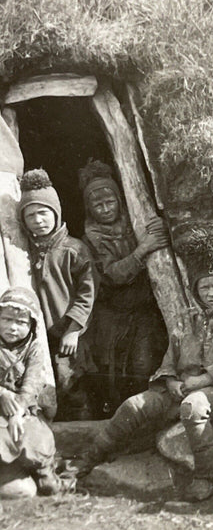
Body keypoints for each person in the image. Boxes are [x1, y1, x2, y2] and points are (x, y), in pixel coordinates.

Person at [73, 252, 213, 502]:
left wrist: (202, 381)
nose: (211, 293)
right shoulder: (188, 318)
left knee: (194, 407)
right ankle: (88, 459)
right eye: (204, 287)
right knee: (134, 405)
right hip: (180, 385)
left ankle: (206, 475)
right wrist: (170, 380)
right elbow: (171, 354)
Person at [79, 160, 168, 411]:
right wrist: (142, 250)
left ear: (120, 201)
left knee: (143, 364)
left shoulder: (136, 222)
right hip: (112, 313)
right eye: (98, 205)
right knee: (112, 370)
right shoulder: (92, 238)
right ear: (89, 208)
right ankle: (118, 417)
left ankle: (144, 414)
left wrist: (162, 228)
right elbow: (112, 274)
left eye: (111, 202)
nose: (106, 209)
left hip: (143, 310)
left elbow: (161, 236)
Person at [18, 169, 97, 420]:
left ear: (56, 213)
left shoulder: (73, 249)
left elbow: (88, 292)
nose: (38, 220)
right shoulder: (24, 251)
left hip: (69, 332)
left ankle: (81, 432)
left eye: (43, 212)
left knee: (71, 382)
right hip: (42, 333)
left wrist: (74, 329)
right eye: (30, 215)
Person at [0, 287, 73, 497]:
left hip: (21, 410)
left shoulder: (34, 349)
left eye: (21, 322)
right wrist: (2, 394)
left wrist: (18, 411)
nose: (13, 328)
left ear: (31, 324)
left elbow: (31, 383)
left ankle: (45, 474)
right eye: (6, 320)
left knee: (35, 438)